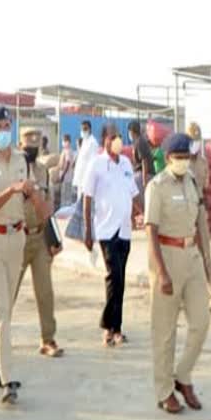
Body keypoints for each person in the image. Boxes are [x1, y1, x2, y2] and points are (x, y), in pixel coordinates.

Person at [0, 109, 42, 405]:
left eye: (7, 126)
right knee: (0, 309)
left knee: (5, 309)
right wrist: (11, 189)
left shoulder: (20, 160)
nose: (4, 131)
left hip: (17, 239)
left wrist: (34, 196)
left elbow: (31, 198)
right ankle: (7, 377)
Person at [145, 133, 211, 414]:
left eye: (188, 157)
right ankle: (164, 391)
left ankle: (182, 376)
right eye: (180, 157)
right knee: (165, 331)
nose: (185, 161)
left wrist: (208, 267)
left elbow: (201, 224)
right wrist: (161, 273)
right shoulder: (156, 187)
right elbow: (151, 230)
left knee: (201, 322)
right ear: (169, 158)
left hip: (192, 256)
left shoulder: (193, 182)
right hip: (167, 257)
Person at [83, 123, 139, 347]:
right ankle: (108, 326)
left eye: (119, 137)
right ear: (104, 140)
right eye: (112, 137)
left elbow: (133, 194)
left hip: (125, 230)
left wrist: (144, 213)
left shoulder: (125, 163)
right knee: (113, 277)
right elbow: (87, 198)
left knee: (121, 280)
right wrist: (88, 231)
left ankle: (117, 327)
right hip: (106, 230)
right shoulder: (96, 165)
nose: (117, 141)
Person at [14, 128, 64, 359]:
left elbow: (48, 206)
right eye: (28, 147)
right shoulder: (13, 170)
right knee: (9, 292)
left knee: (45, 292)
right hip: (18, 238)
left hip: (39, 238)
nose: (31, 151)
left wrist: (54, 239)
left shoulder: (43, 171)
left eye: (35, 147)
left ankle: (48, 339)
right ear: (20, 145)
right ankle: (0, 339)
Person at [185, 123, 211, 317]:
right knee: (185, 256)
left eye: (198, 140)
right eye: (192, 141)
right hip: (184, 212)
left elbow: (205, 187)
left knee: (205, 254)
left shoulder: (203, 164)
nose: (195, 145)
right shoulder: (181, 164)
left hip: (199, 208)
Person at [66, 121, 98, 241]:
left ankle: (89, 233)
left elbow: (93, 162)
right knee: (80, 209)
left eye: (85, 128)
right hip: (81, 180)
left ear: (89, 129)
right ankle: (80, 233)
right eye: (82, 129)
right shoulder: (84, 142)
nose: (83, 131)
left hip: (87, 180)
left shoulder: (93, 143)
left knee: (87, 209)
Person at [129, 120, 154, 201]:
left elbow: (144, 161)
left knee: (141, 200)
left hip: (143, 175)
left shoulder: (140, 142)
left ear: (132, 132)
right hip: (142, 174)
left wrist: (144, 180)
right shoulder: (139, 141)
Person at [58, 134, 75, 206]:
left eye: (65, 140)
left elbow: (67, 163)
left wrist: (63, 175)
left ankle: (65, 210)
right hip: (67, 175)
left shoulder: (68, 151)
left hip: (66, 176)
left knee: (66, 195)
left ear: (68, 141)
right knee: (65, 195)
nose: (63, 142)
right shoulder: (66, 150)